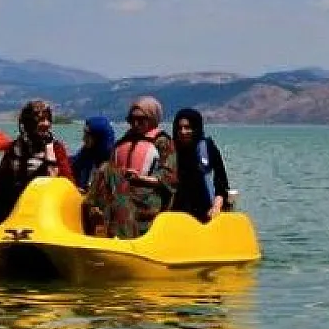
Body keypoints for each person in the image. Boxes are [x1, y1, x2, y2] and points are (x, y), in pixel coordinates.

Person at [82, 96, 176, 239]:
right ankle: (90, 226)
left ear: (152, 118)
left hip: (148, 198)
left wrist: (140, 178)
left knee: (116, 187)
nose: (135, 123)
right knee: (105, 170)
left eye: (141, 119)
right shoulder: (125, 140)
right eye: (131, 119)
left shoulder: (163, 142)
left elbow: (170, 178)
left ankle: (124, 238)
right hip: (122, 190)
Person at [0, 100, 73, 226]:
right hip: (11, 209)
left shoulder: (56, 148)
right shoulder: (14, 148)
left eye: (47, 119)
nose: (46, 124)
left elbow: (67, 182)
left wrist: (49, 152)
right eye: (40, 120)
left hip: (43, 212)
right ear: (28, 124)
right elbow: (0, 176)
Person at [169, 107, 232, 222]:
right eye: (179, 128)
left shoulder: (207, 148)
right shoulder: (170, 150)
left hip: (206, 212)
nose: (183, 132)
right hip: (176, 214)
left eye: (188, 127)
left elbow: (221, 182)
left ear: (196, 128)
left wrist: (216, 207)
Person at [73, 115, 116, 191]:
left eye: (87, 135)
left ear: (99, 138)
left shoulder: (114, 162)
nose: (83, 139)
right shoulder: (84, 154)